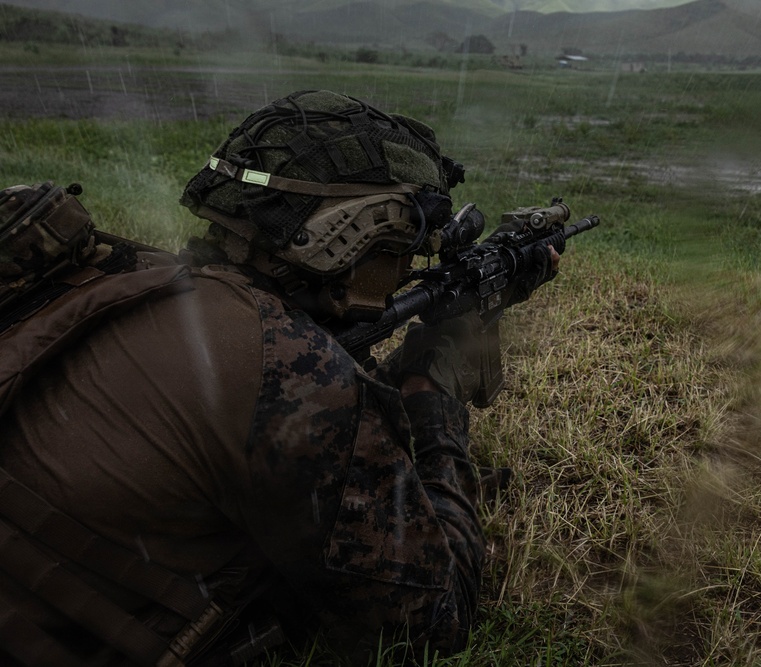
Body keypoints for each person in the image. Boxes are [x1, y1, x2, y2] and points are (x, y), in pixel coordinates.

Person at [0, 90, 557, 666]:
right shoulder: (293, 372)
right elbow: (434, 620)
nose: (410, 266)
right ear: (352, 235)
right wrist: (433, 396)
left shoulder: (133, 276)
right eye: (403, 247)